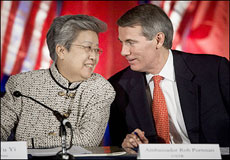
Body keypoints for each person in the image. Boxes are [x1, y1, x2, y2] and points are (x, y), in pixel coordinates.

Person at [108, 3, 229, 154]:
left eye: (131, 43)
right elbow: (118, 145)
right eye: (122, 42)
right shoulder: (118, 86)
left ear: (158, 40)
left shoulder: (213, 70)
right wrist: (127, 146)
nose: (123, 52)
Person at [1, 14, 115, 149]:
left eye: (96, 50)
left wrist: (28, 144)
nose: (93, 56)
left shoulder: (101, 88)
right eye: (87, 48)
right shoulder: (22, 85)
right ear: (61, 51)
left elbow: (88, 140)